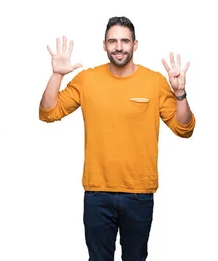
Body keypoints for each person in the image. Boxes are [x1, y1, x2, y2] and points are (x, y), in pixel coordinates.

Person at [39, 16, 196, 260]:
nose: (119, 47)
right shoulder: (87, 80)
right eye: (113, 41)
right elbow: (48, 112)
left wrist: (180, 93)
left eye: (125, 41)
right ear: (104, 45)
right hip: (97, 193)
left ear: (135, 45)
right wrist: (57, 75)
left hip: (139, 193)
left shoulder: (154, 82)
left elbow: (184, 129)